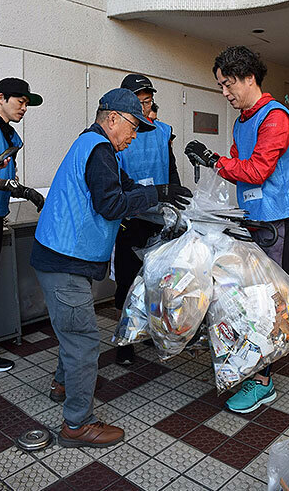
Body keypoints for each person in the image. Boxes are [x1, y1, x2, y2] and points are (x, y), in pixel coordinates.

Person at [30, 88, 192, 448]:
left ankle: (64, 384)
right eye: (134, 127)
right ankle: (77, 424)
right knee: (85, 342)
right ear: (113, 119)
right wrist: (159, 194)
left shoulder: (100, 148)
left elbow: (128, 187)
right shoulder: (100, 150)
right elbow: (111, 203)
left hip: (63, 258)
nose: (134, 137)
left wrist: (166, 203)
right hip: (64, 261)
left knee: (73, 331)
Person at [184, 46, 289, 414]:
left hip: (279, 221)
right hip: (252, 219)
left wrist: (215, 161)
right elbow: (237, 162)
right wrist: (216, 163)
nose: (224, 92)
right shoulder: (243, 120)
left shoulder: (275, 118)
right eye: (221, 85)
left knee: (270, 302)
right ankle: (250, 363)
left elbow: (254, 170)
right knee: (247, 298)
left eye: (228, 84)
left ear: (249, 78)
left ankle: (264, 382)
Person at [114, 74, 181, 365]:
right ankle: (125, 340)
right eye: (139, 101)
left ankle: (153, 332)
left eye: (148, 100)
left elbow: (173, 172)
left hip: (159, 219)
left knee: (158, 281)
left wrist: (179, 206)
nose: (145, 106)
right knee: (128, 282)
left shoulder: (162, 131)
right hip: (130, 219)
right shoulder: (117, 134)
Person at [0, 78, 44, 373]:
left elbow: (8, 176)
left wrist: (21, 189)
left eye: (26, 103)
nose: (24, 107)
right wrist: (8, 184)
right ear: (0, 97)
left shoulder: (11, 136)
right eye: (19, 101)